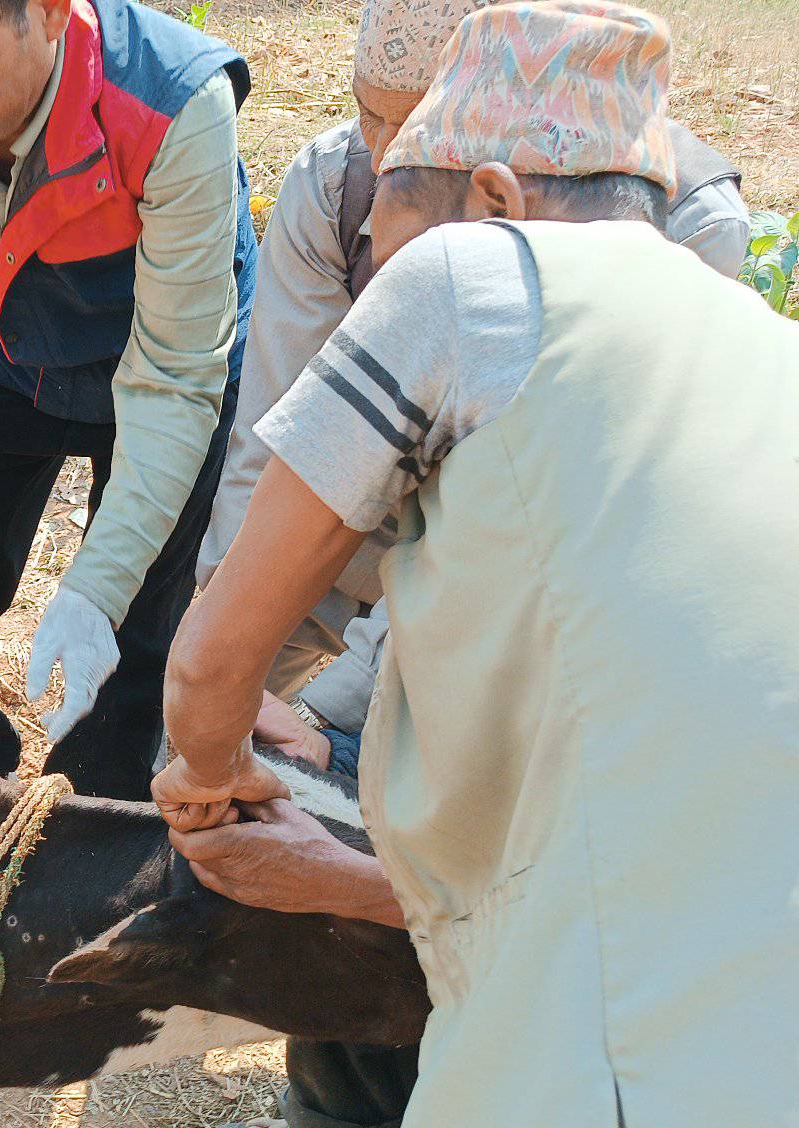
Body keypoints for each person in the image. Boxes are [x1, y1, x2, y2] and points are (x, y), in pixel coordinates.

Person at [154, 3, 799, 1125]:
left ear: (494, 196)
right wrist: (330, 864)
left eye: (393, 239)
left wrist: (208, 777)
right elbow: (623, 859)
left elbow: (211, 665)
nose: (379, 276)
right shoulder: (762, 356)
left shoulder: (471, 276)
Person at [198, 0, 749, 750]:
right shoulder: (338, 183)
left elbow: (497, 536)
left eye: (414, 122)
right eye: (368, 117)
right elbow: (276, 451)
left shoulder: (684, 237)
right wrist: (223, 659)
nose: (385, 152)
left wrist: (332, 723)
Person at [0, 0, 257, 799]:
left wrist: (95, 588)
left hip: (169, 361)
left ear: (52, 15)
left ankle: (95, 819)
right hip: (14, 349)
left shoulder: (173, 104)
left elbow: (172, 379)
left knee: (130, 632)